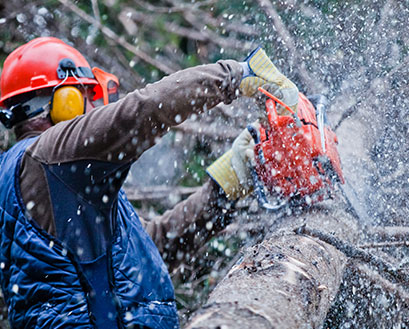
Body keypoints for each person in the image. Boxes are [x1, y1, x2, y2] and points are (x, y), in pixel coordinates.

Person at [0, 37, 298, 328]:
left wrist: (224, 186)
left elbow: (149, 251)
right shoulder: (50, 156)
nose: (95, 108)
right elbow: (141, 111)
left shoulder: (51, 177)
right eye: (86, 96)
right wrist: (237, 75)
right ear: (65, 102)